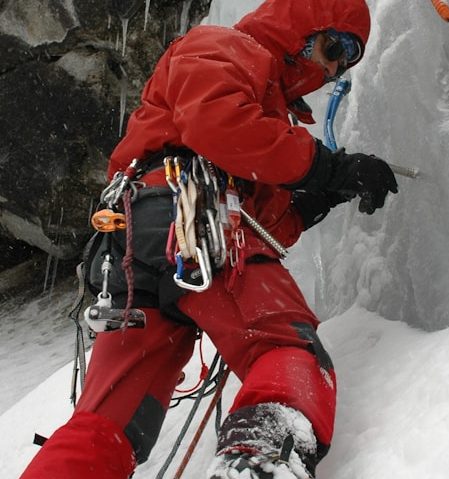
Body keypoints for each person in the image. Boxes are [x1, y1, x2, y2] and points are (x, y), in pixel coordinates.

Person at [20, 0, 397, 478]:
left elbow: (264, 224)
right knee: (284, 348)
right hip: (190, 221)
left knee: (110, 419)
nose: (333, 68)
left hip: (137, 250)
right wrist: (328, 166)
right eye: (335, 47)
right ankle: (258, 463)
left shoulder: (266, 112)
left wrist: (323, 197)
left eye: (347, 61)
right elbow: (218, 124)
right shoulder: (225, 45)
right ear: (301, 26)